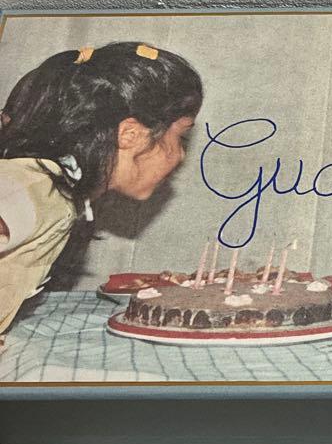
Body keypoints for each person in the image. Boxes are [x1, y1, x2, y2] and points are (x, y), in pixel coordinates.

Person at [0, 41, 203, 337]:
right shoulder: (38, 189)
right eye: (181, 138)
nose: (181, 155)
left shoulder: (61, 195)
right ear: (130, 134)